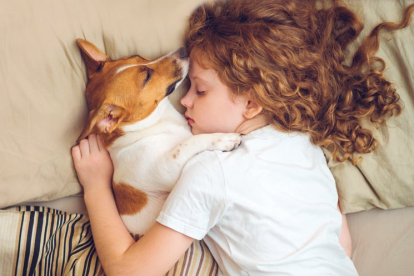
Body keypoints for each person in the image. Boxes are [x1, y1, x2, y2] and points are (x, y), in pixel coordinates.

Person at [72, 0, 413, 275]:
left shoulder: (212, 172)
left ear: (251, 103)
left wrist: (96, 186)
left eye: (200, 90)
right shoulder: (304, 146)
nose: (184, 100)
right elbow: (341, 247)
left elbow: (128, 270)